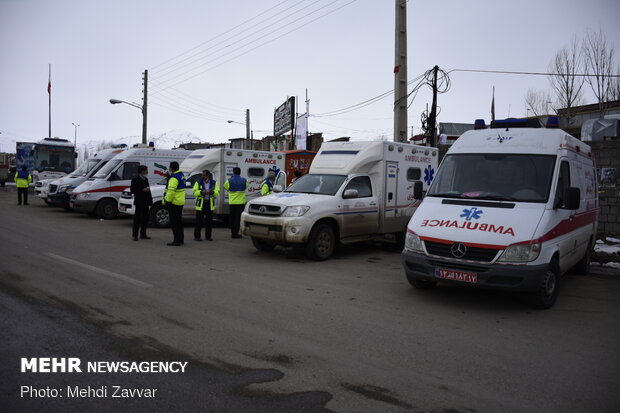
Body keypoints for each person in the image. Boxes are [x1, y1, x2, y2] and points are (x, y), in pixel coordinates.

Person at [163, 161, 186, 246]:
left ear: (171, 168)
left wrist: (167, 200)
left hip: (174, 202)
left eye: (169, 167)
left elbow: (171, 191)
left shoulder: (174, 178)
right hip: (180, 202)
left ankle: (176, 241)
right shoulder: (181, 175)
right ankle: (180, 239)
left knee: (174, 223)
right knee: (179, 222)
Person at [193, 169, 219, 241]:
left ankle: (208, 237)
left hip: (209, 204)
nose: (202, 176)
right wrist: (202, 192)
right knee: (199, 222)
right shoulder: (198, 183)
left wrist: (212, 192)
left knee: (209, 222)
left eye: (203, 175)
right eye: (202, 175)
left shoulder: (214, 183)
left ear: (208, 176)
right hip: (201, 205)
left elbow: (217, 192)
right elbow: (195, 192)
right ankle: (197, 237)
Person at [223, 167, 248, 239]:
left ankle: (232, 232)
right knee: (238, 218)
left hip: (232, 202)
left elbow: (226, 187)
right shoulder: (245, 180)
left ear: (233, 172)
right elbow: (246, 186)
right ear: (240, 172)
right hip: (240, 202)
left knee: (232, 217)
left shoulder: (229, 180)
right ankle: (235, 233)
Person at [130, 165, 153, 241]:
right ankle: (135, 235)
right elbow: (133, 190)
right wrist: (142, 190)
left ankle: (143, 234)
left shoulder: (146, 179)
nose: (147, 171)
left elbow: (148, 191)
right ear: (142, 171)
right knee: (137, 219)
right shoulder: (135, 180)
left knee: (145, 219)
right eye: (146, 170)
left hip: (146, 202)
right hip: (139, 202)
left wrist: (150, 201)